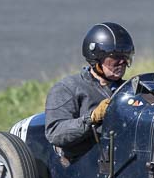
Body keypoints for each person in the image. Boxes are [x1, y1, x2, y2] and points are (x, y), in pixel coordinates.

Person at [45, 23, 135, 161]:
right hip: (85, 165)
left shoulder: (129, 89)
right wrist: (92, 118)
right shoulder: (68, 88)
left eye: (126, 56)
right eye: (115, 57)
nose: (122, 62)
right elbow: (55, 133)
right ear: (96, 58)